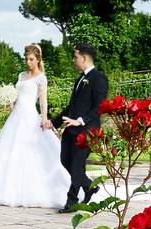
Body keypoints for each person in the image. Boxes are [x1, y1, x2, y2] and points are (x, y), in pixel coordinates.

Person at [0, 44, 70, 209]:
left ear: (38, 59)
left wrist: (44, 119)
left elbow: (42, 100)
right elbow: (19, 96)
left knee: (30, 149)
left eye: (31, 59)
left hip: (30, 116)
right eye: (26, 59)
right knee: (6, 149)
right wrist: (10, 101)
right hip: (15, 116)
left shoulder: (41, 78)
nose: (28, 62)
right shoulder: (21, 75)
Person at [43, 43, 109, 213]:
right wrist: (54, 122)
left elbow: (99, 106)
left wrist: (80, 121)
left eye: (75, 57)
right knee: (65, 160)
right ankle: (89, 186)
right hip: (71, 130)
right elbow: (71, 106)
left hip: (87, 131)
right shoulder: (80, 79)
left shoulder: (98, 78)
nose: (74, 60)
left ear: (84, 58)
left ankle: (72, 201)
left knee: (77, 165)